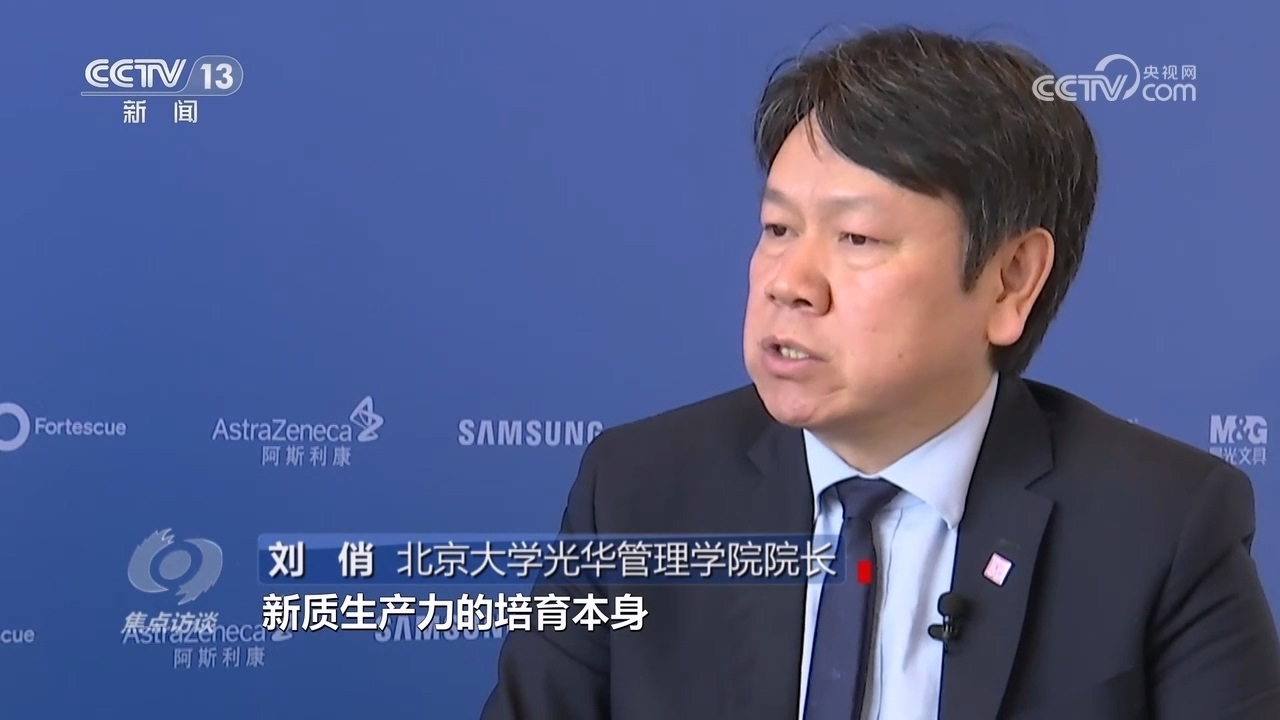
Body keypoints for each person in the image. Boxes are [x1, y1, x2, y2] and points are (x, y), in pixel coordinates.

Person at [479, 25, 1280, 720]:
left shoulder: (1162, 528)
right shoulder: (639, 493)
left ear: (1010, 280)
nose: (789, 282)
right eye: (777, 227)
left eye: (856, 238)